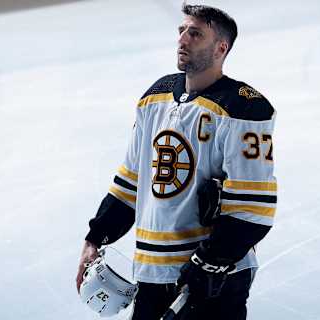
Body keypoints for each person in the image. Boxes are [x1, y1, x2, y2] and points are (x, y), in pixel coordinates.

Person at [76, 4, 277, 320]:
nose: (183, 40)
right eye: (181, 31)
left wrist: (208, 263)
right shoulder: (154, 98)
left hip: (215, 278)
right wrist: (96, 236)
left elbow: (253, 208)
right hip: (152, 272)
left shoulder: (242, 107)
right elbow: (131, 183)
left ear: (220, 48)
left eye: (195, 34)